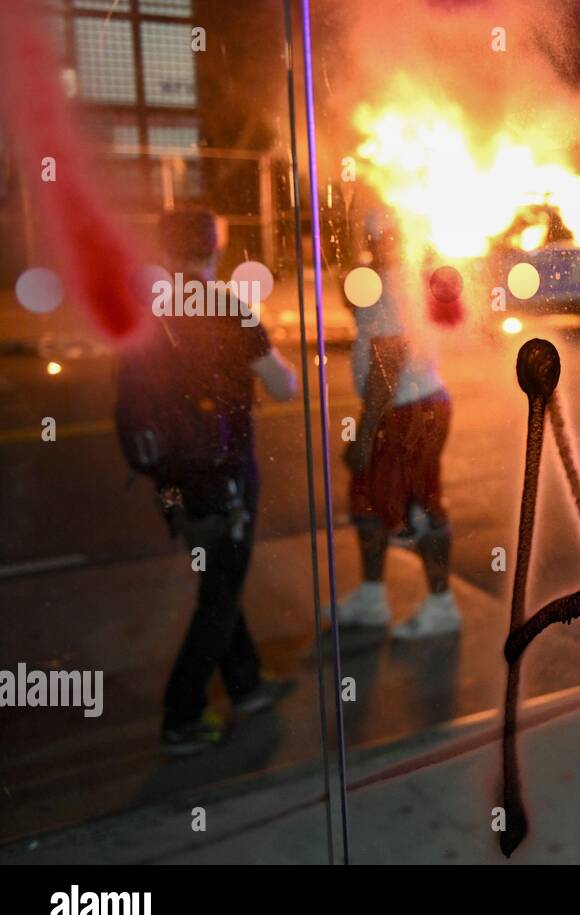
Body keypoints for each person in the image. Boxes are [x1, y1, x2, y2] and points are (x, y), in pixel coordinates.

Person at [136, 209, 300, 756]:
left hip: (173, 477)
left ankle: (246, 685)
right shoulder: (229, 307)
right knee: (221, 592)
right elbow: (282, 388)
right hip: (224, 472)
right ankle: (181, 717)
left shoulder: (153, 308)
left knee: (219, 581)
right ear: (215, 245)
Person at [332, 211, 461, 639]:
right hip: (406, 407)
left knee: (420, 505)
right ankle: (371, 598)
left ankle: (442, 605)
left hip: (408, 410)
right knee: (368, 501)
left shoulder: (386, 285)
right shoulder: (397, 278)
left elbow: (388, 359)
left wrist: (364, 434)